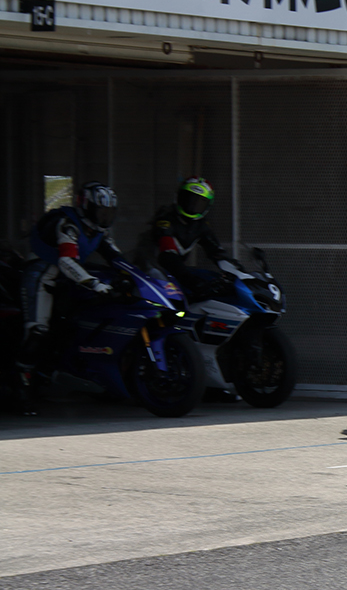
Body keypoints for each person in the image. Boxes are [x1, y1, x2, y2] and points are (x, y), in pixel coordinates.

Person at [18, 182, 124, 414]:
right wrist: (94, 283)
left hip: (67, 280)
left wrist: (135, 276)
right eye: (100, 210)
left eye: (108, 212)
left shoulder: (99, 231)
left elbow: (117, 258)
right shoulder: (68, 224)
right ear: (86, 206)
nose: (104, 216)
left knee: (72, 326)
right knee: (38, 332)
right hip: (42, 275)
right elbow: (66, 261)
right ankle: (21, 386)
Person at [149, 177, 252, 298]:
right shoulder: (165, 219)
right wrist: (192, 281)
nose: (191, 205)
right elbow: (168, 255)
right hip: (151, 273)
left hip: (175, 273)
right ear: (178, 197)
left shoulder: (200, 225)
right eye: (188, 199)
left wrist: (241, 275)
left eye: (198, 203)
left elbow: (216, 251)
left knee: (212, 279)